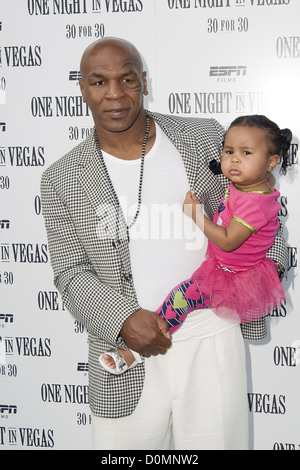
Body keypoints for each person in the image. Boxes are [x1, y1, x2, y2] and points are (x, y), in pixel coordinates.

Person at [40, 37, 288, 450]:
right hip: (124, 354)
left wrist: (264, 274)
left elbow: (262, 210)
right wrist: (121, 320)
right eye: (99, 82)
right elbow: (69, 272)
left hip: (212, 341)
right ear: (82, 89)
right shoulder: (61, 177)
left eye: (127, 78)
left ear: (145, 80)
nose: (115, 93)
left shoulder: (202, 136)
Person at [100, 115, 291, 375]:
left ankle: (134, 351)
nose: (234, 159)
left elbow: (227, 241)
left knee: (182, 297)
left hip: (230, 277)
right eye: (229, 151)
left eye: (246, 152)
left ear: (271, 162)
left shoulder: (254, 203)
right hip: (226, 268)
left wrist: (196, 213)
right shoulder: (255, 184)